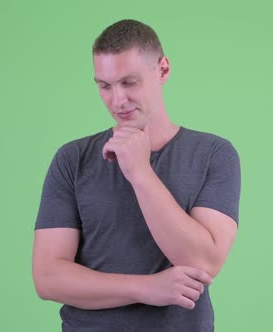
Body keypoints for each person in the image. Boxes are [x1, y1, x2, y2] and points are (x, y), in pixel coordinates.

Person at [32, 19, 241, 332]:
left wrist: (140, 171)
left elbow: (203, 262)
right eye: (104, 86)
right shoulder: (72, 159)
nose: (117, 100)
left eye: (129, 82)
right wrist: (147, 288)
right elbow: (48, 278)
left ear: (163, 69)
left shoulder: (214, 154)